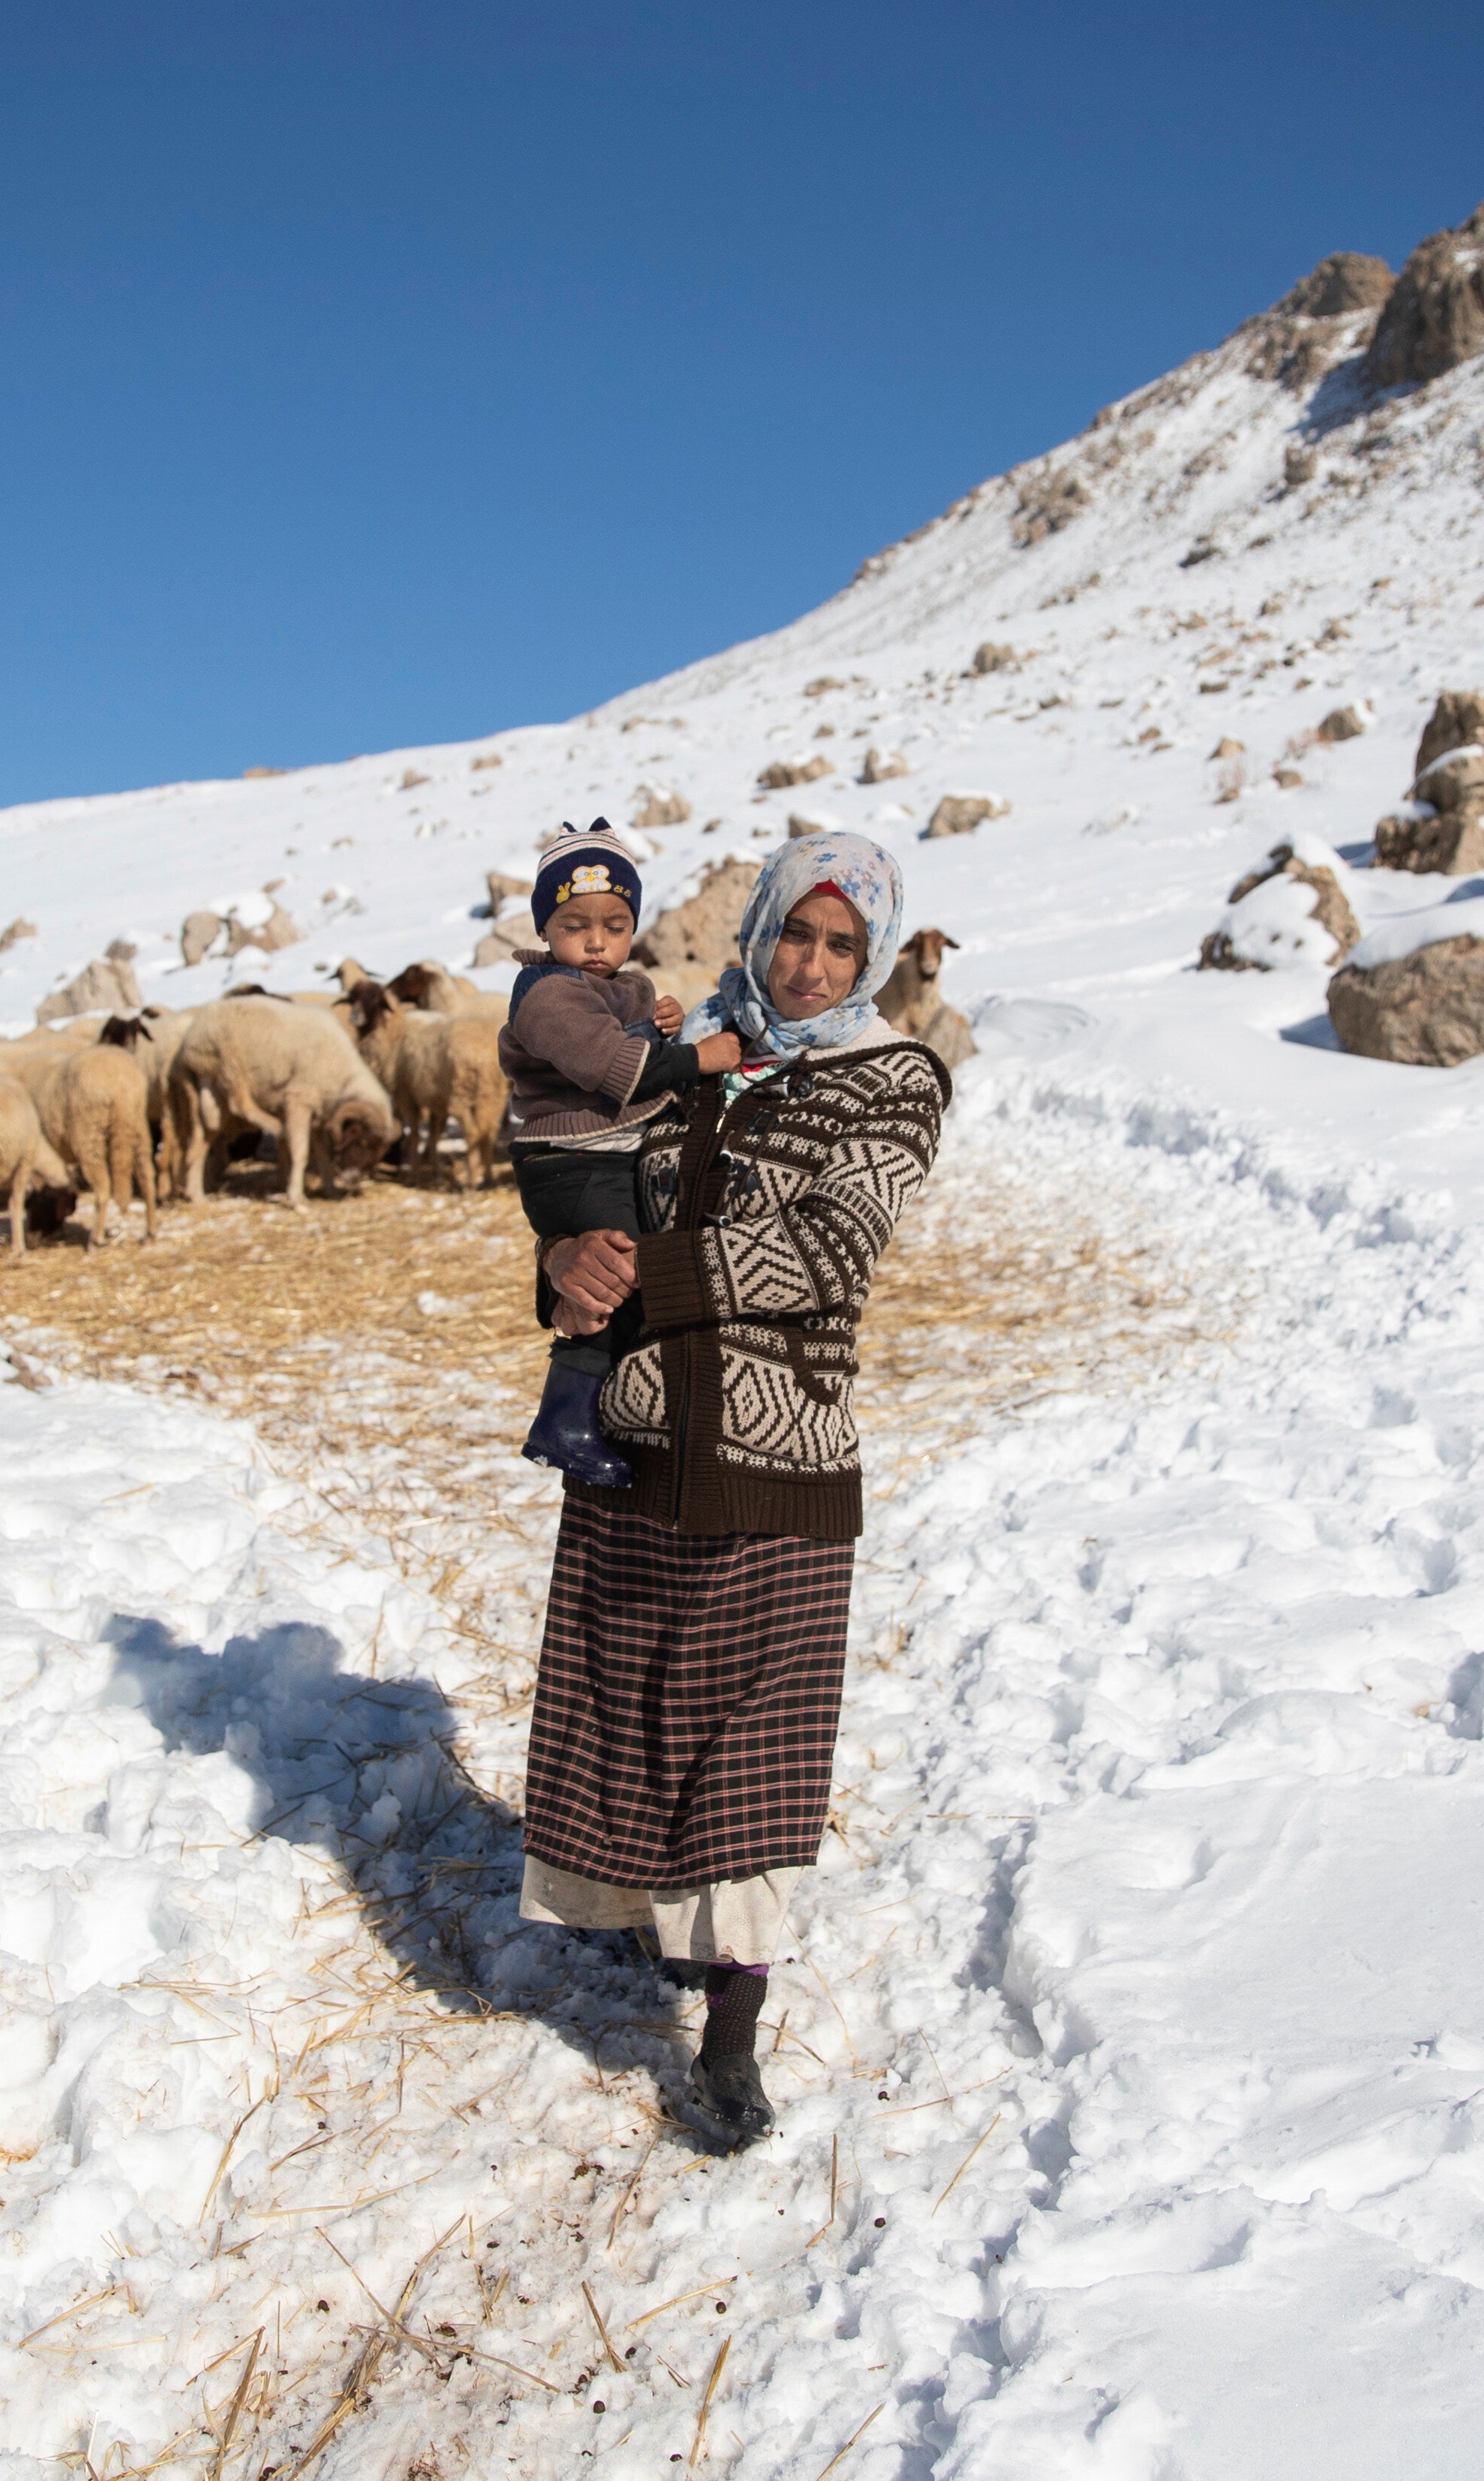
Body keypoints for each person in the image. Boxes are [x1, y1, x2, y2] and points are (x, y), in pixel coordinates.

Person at [514, 833, 951, 2146]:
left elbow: (825, 1246)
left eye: (840, 945)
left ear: (871, 957)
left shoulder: (894, 1076)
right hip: (637, 1442)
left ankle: (735, 2026)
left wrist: (646, 1270)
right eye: (793, 934)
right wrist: (567, 1267)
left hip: (778, 1456)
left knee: (749, 1749)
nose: (809, 965)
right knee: (634, 1706)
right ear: (755, 930)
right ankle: (652, 1930)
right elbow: (592, 1196)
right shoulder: (690, 1050)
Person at [497, 821, 741, 1485]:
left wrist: (653, 1023)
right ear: (546, 928)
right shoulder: (545, 993)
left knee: (631, 1262)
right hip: (572, 1159)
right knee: (621, 1265)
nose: (597, 940)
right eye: (576, 924)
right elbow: (616, 1068)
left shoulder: (617, 983)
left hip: (607, 1151)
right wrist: (698, 1057)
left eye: (616, 922)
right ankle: (566, 1419)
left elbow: (622, 1039)